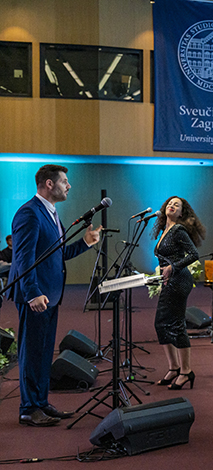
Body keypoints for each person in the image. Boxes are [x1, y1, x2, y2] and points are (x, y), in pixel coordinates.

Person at [10, 164, 101, 426]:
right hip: (36, 297)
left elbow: (56, 256)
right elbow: (23, 258)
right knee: (32, 352)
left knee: (44, 352)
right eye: (64, 181)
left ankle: (40, 402)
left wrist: (85, 243)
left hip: (50, 295)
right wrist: (32, 293)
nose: (68, 186)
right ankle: (28, 408)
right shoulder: (29, 213)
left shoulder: (51, 213)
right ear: (49, 184)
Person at [151, 196, 205, 390]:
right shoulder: (164, 231)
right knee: (162, 324)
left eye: (177, 205)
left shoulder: (178, 230)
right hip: (169, 279)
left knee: (175, 324)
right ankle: (174, 368)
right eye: (170, 203)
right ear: (164, 207)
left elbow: (193, 254)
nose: (172, 206)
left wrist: (172, 267)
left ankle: (185, 371)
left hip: (178, 280)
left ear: (181, 213)